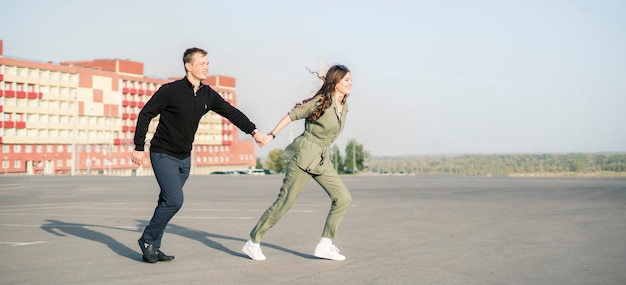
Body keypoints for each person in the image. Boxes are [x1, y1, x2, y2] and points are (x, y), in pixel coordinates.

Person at [132, 47, 267, 263]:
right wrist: (139, 147)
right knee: (174, 201)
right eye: (202, 63)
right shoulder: (170, 91)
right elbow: (145, 113)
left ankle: (154, 247)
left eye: (207, 63)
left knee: (165, 202)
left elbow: (230, 112)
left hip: (185, 158)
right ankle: (147, 240)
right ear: (188, 66)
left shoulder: (207, 94)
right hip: (163, 154)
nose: (207, 67)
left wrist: (254, 131)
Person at [242, 64, 353, 261]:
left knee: (343, 198)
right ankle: (253, 241)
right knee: (284, 203)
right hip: (303, 157)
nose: (350, 83)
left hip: (322, 159)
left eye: (350, 79)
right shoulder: (321, 102)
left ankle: (325, 244)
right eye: (346, 80)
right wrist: (271, 135)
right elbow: (293, 115)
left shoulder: (343, 105)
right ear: (335, 82)